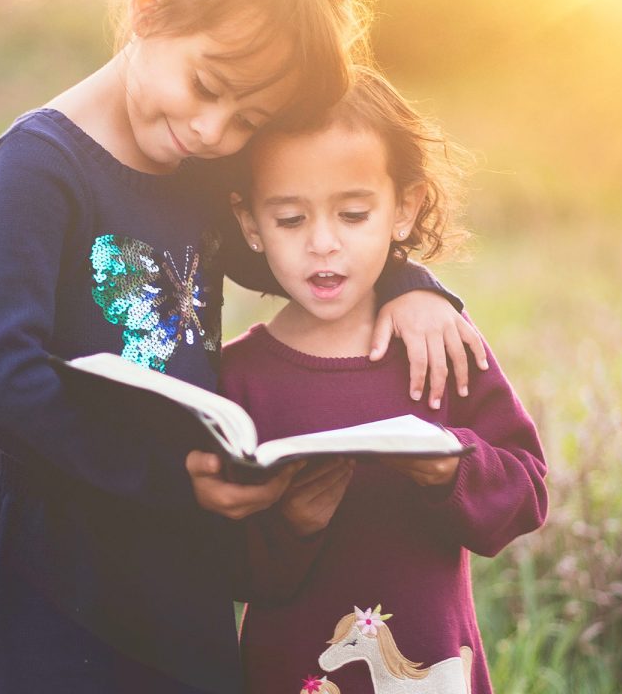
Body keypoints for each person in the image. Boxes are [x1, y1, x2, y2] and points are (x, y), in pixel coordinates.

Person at [0, 0, 484, 692]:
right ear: (147, 9)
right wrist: (173, 480)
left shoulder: (197, 172)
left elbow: (301, 259)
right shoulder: (37, 169)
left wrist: (412, 286)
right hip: (54, 549)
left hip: (177, 541)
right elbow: (2, 381)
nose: (214, 131)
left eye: (247, 120)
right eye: (207, 85)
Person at [224, 67, 549, 694]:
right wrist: (290, 523)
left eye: (352, 213)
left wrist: (453, 470)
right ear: (250, 224)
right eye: (290, 219)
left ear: (404, 208)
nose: (323, 243)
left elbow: (527, 492)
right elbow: (220, 566)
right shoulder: (239, 379)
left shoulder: (437, 346)